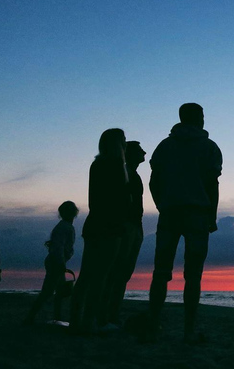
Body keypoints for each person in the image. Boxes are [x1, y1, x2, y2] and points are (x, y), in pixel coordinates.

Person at [147, 103, 223, 344]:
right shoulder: (209, 148)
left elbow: (153, 182)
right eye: (202, 115)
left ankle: (153, 326)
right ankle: (188, 331)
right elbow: (213, 186)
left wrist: (163, 205)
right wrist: (212, 216)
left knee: (160, 272)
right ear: (198, 118)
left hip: (169, 212)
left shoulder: (165, 146)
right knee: (193, 276)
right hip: (198, 214)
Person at [70, 128, 131, 334]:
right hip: (110, 225)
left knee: (87, 275)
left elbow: (94, 200)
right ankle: (89, 322)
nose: (126, 142)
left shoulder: (97, 164)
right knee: (101, 276)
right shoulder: (115, 166)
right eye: (123, 139)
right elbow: (119, 200)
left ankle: (76, 320)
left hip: (95, 223)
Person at [103, 140, 146, 326]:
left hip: (134, 226)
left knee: (123, 273)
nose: (144, 152)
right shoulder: (124, 173)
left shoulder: (134, 174)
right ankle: (108, 313)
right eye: (140, 150)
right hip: (127, 226)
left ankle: (111, 312)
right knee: (118, 272)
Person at [24, 201, 79, 325]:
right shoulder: (64, 227)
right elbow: (58, 247)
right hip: (56, 262)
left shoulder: (64, 226)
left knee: (56, 292)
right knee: (48, 292)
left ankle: (55, 317)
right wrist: (61, 263)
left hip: (57, 261)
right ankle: (30, 318)